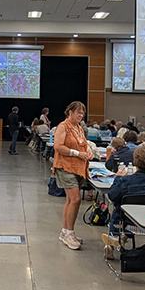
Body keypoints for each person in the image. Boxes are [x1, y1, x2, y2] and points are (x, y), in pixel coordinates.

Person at [102, 145, 145, 259]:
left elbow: (112, 196)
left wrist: (117, 178)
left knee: (120, 207)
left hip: (128, 221)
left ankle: (114, 236)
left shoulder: (125, 180)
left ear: (135, 162)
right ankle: (122, 236)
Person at [52, 101, 90, 250]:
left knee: (71, 200)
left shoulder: (79, 128)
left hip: (77, 168)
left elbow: (82, 144)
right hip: (65, 166)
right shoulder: (63, 126)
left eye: (82, 113)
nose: (81, 115)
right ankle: (69, 233)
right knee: (75, 199)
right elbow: (58, 147)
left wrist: (88, 151)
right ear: (70, 112)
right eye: (78, 112)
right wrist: (77, 153)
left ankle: (66, 231)